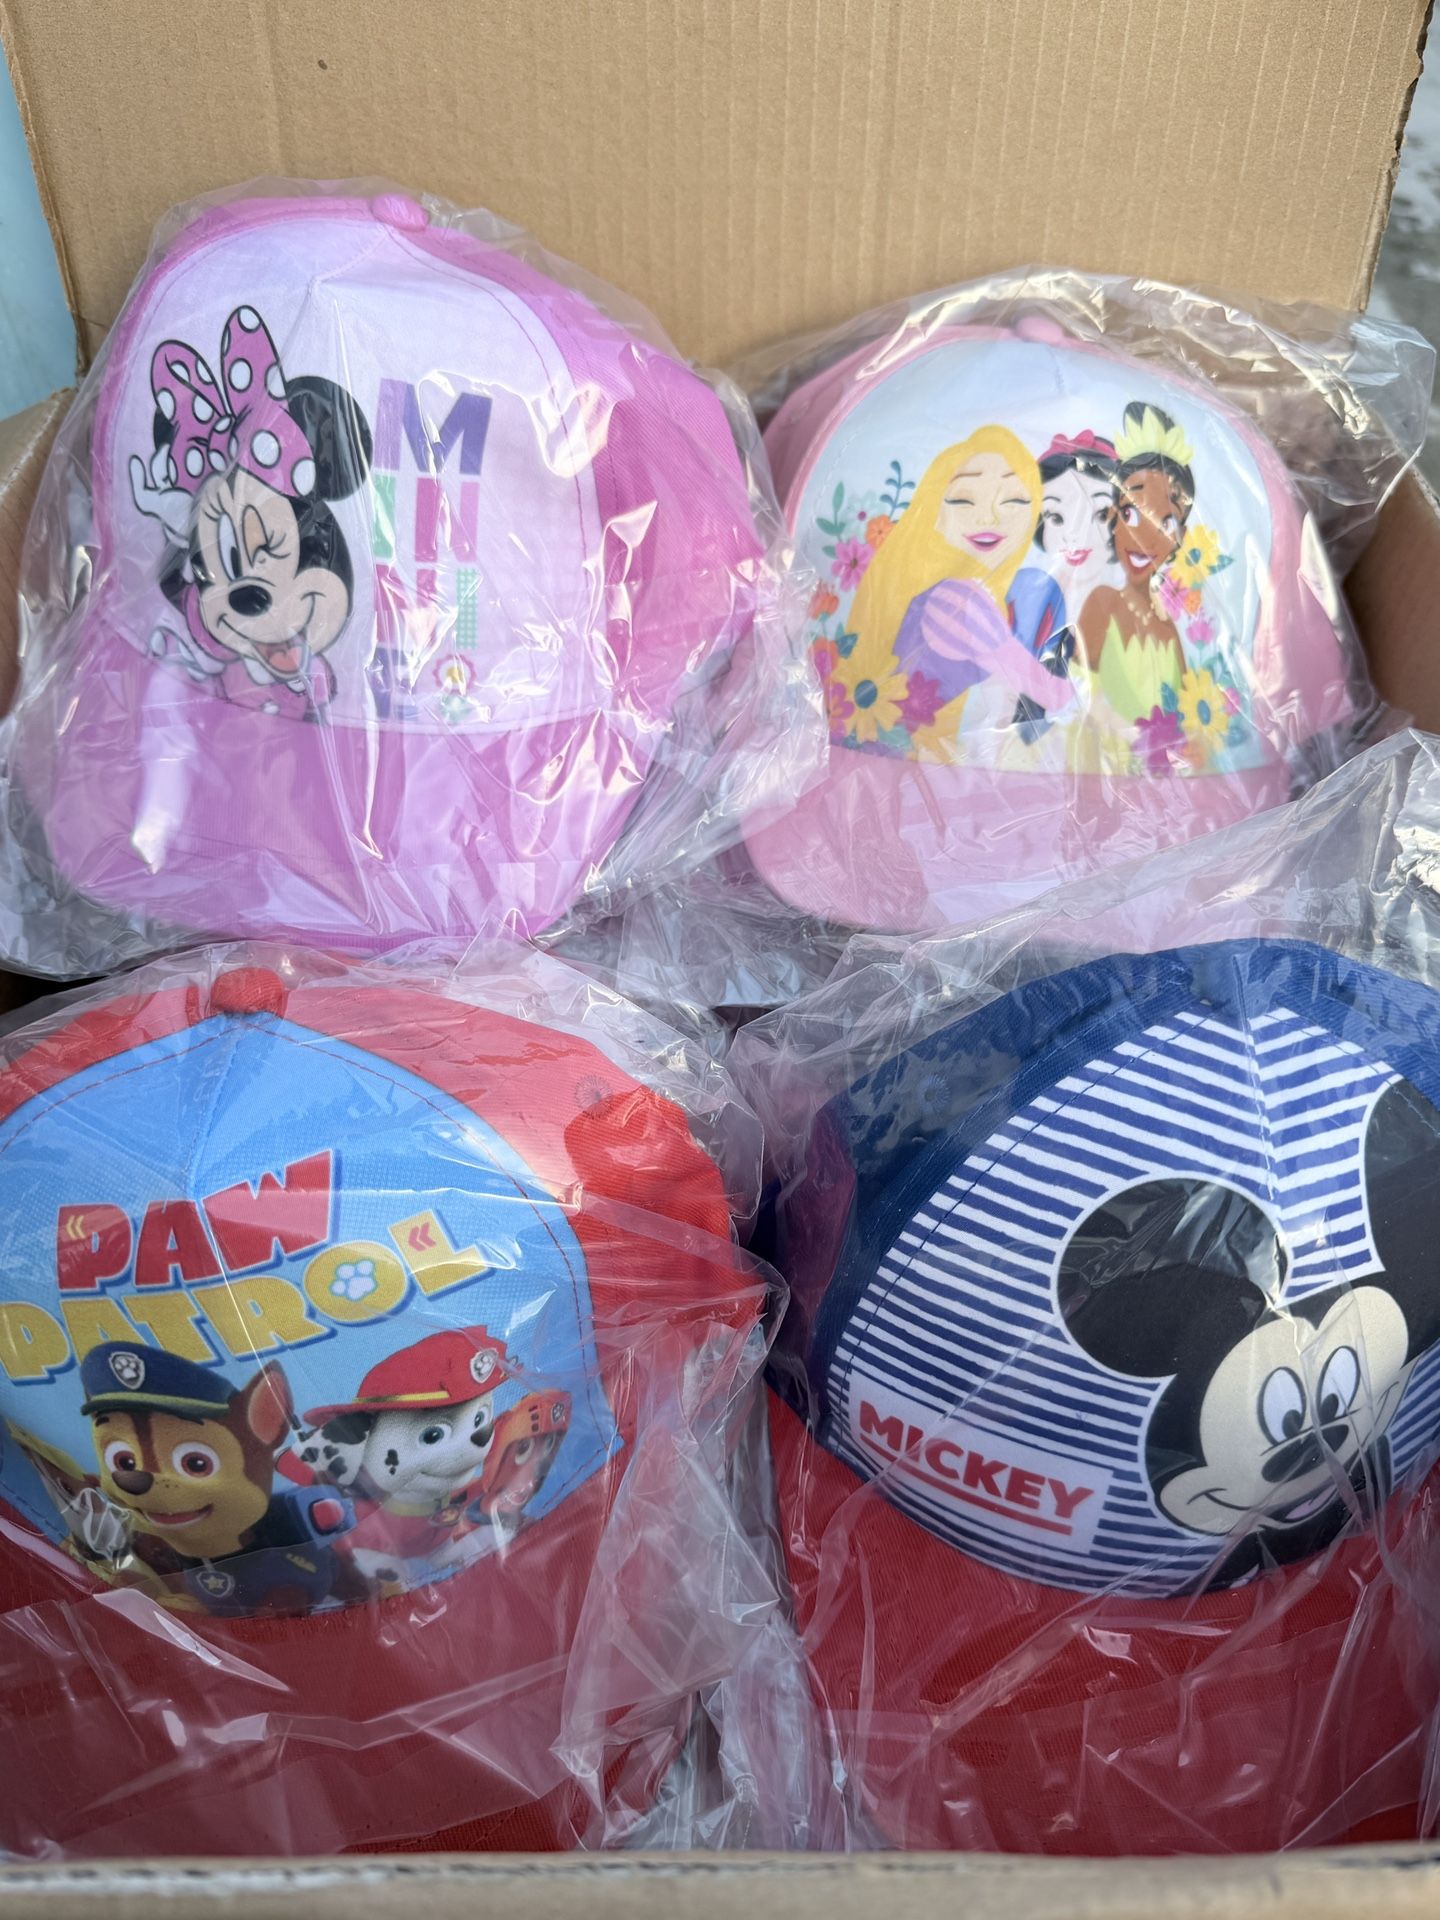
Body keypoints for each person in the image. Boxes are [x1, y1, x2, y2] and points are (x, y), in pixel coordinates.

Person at [847, 426, 1074, 756]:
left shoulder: (949, 593)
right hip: (910, 759)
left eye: (1014, 501)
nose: (989, 517)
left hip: (901, 753)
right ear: (934, 513)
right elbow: (1049, 693)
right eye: (963, 500)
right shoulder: (960, 602)